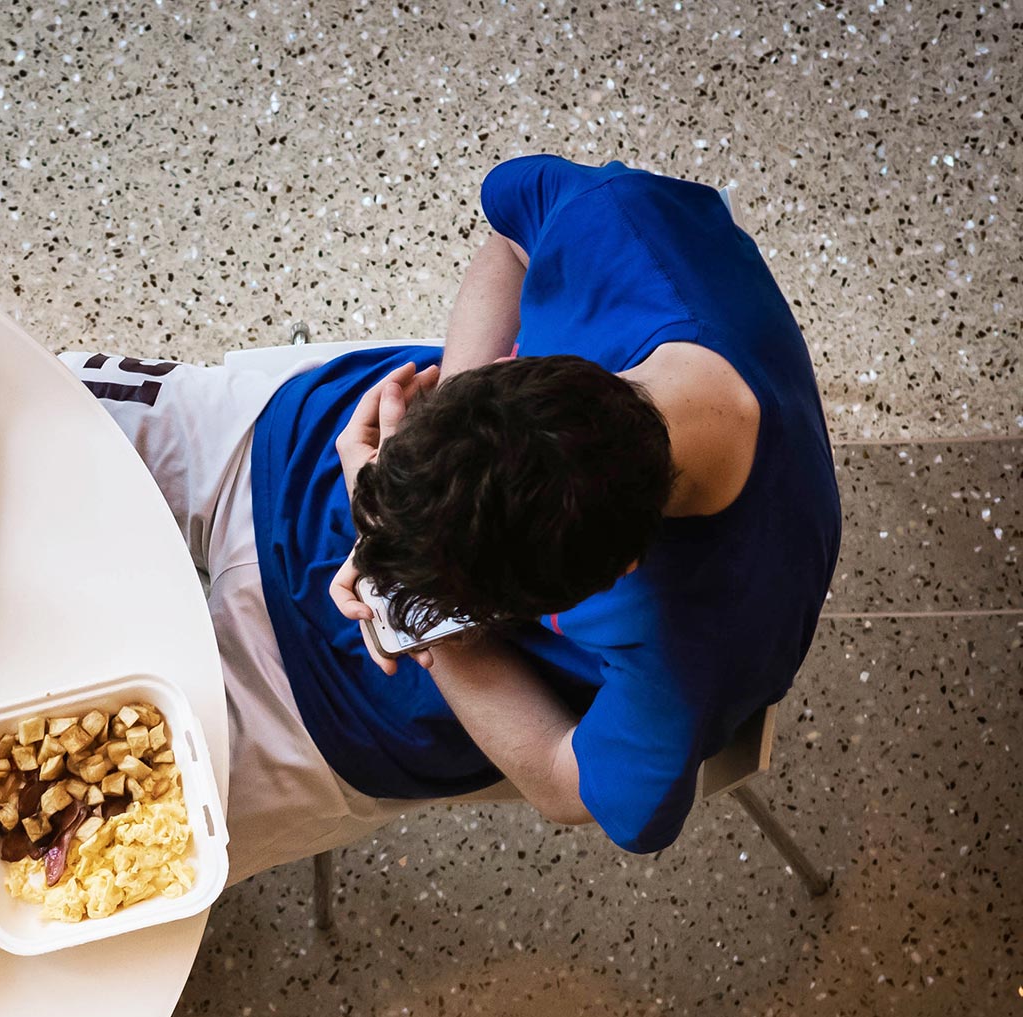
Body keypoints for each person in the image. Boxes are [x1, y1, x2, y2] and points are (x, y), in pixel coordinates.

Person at [62, 154, 842, 883]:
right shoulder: (620, 225)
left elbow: (569, 787)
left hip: (321, 707)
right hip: (279, 437)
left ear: (615, 576)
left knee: (75, 848)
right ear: (521, 373)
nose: (358, 571)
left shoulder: (697, 647)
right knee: (10, 419)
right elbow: (510, 233)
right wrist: (397, 479)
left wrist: (430, 629)